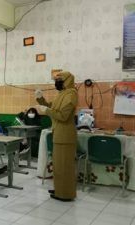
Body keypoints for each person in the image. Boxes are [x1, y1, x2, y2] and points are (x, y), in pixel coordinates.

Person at [35, 71, 78, 202]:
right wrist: (40, 98)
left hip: (65, 136)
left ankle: (65, 194)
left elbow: (63, 116)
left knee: (65, 166)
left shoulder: (71, 94)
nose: (57, 81)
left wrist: (46, 111)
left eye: (60, 78)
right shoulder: (62, 94)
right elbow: (51, 107)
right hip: (59, 134)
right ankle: (59, 189)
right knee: (59, 165)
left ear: (68, 80)